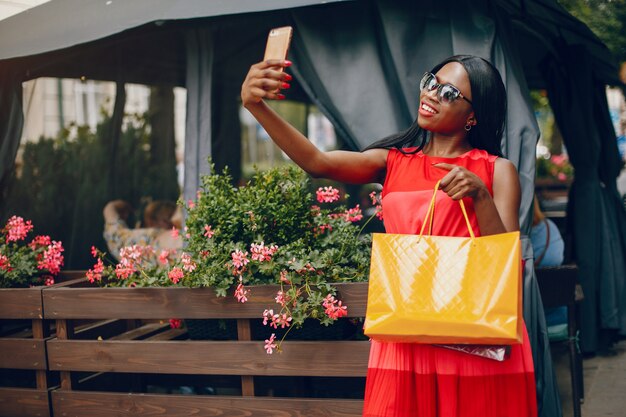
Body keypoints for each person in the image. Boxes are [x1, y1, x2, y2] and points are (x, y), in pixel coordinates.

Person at [241, 55, 536, 416]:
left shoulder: (497, 171)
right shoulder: (393, 160)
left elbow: (508, 268)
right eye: (431, 81)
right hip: (406, 329)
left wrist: (481, 197)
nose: (431, 94)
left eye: (448, 92)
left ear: (473, 116)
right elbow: (317, 162)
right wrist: (256, 106)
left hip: (472, 335)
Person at [103, 199, 182, 260]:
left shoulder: (145, 245)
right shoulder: (148, 242)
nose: (174, 221)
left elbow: (116, 237)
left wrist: (110, 207)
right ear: (151, 221)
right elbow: (117, 237)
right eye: (167, 220)